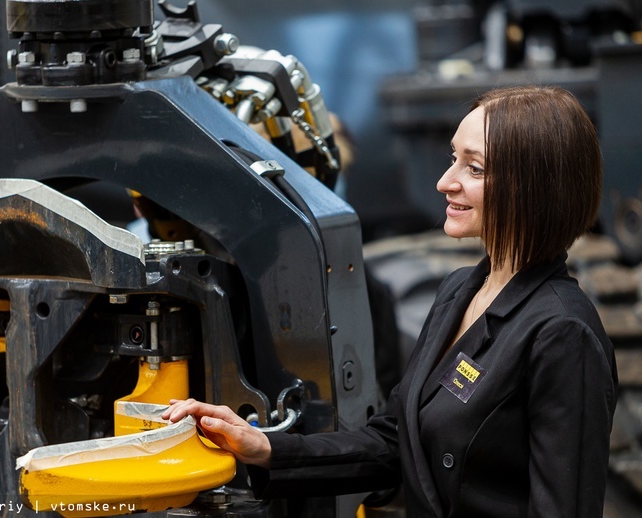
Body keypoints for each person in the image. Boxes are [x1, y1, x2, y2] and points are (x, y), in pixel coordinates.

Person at [163, 85, 618, 518]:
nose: (445, 182)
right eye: (453, 158)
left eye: (474, 168)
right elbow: (398, 441)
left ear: (535, 187)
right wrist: (262, 447)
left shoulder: (562, 333)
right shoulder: (460, 291)